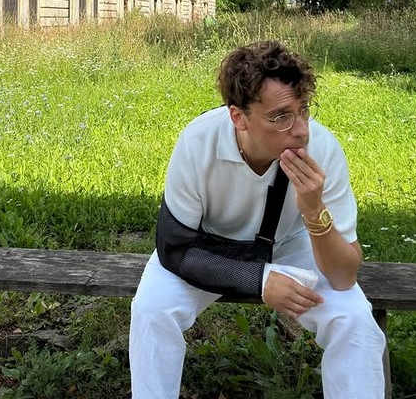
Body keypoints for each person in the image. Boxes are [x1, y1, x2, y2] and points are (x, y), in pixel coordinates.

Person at [129, 39, 385, 399]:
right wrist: (259, 280)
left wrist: (314, 210)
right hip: (206, 249)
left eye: (303, 109)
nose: (301, 130)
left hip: (291, 244)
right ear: (238, 117)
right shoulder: (198, 142)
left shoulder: (323, 148)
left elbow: (344, 276)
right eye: (280, 116)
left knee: (355, 319)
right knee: (151, 310)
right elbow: (174, 248)